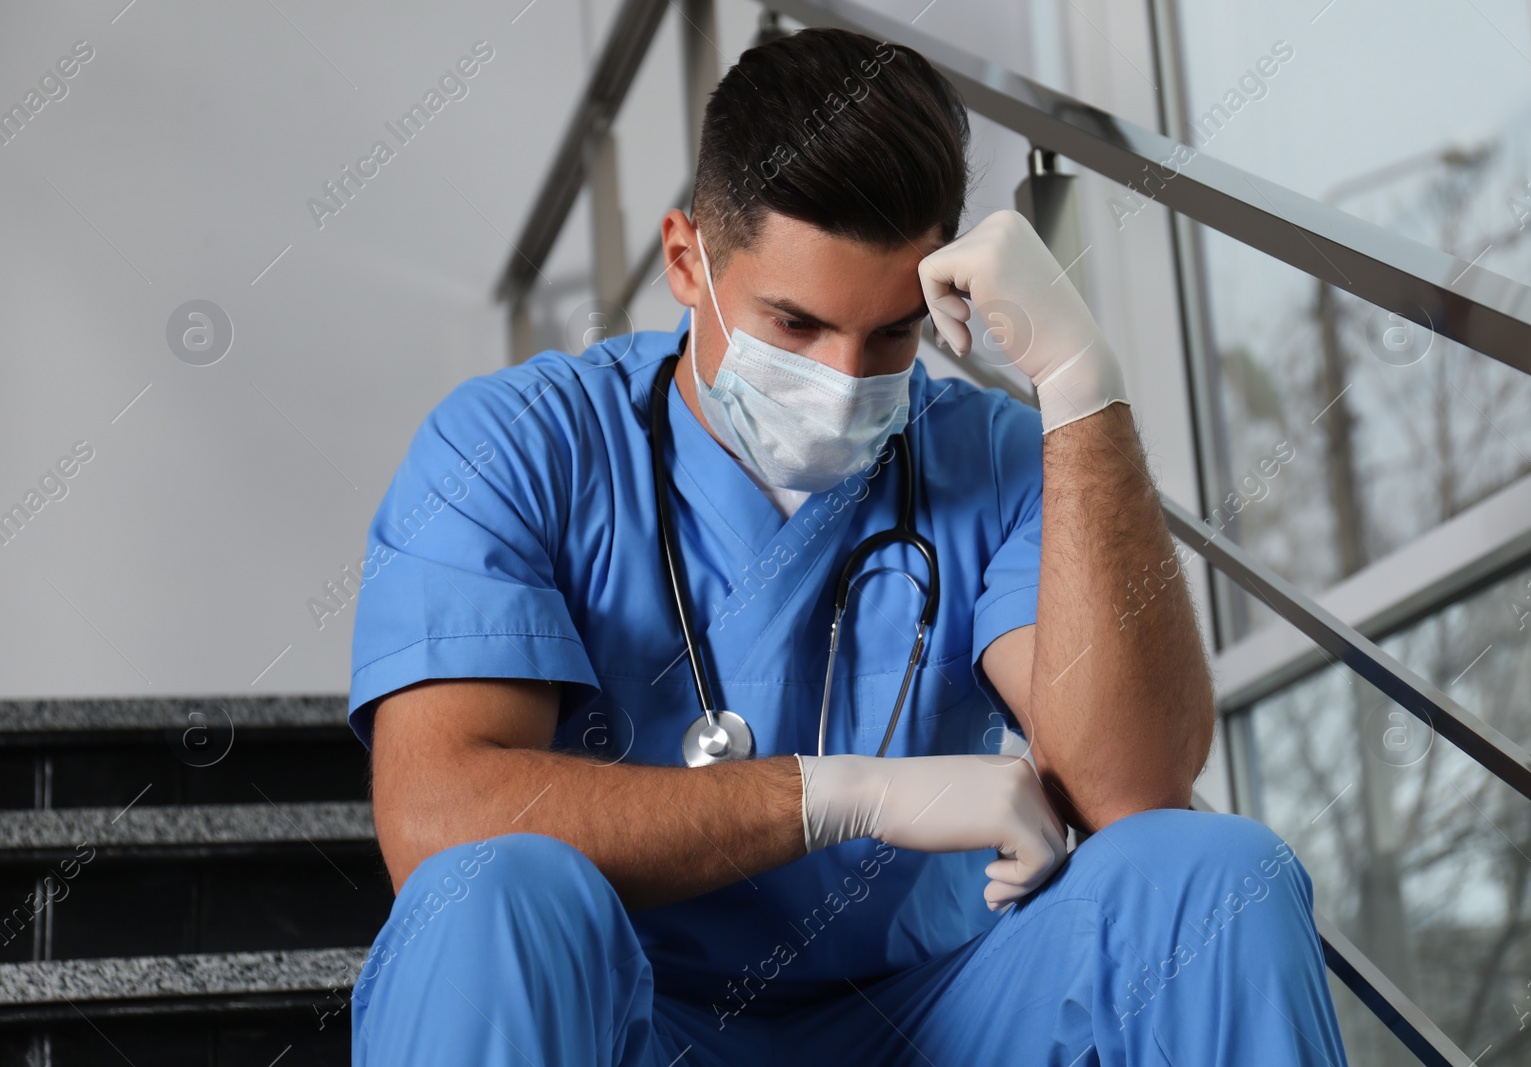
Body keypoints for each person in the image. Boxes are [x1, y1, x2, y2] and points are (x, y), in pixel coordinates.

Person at [344, 26, 1349, 1067]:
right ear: (687, 261)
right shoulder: (521, 445)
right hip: (633, 1024)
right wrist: (842, 794)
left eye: (891, 336)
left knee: (1212, 872)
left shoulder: (995, 461)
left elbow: (1131, 791)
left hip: (933, 1022)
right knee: (492, 892)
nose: (842, 377)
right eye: (793, 324)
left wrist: (1079, 381)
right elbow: (435, 816)